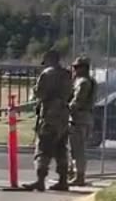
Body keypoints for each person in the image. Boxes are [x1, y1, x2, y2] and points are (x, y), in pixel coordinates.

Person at [23, 49, 73, 192]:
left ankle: (40, 180)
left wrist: (35, 90)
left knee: (43, 147)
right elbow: (70, 93)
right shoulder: (67, 74)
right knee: (61, 148)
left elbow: (40, 93)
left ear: (50, 59)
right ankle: (63, 180)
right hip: (63, 114)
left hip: (50, 114)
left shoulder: (46, 74)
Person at [68, 56, 97, 186]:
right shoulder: (86, 81)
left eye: (76, 67)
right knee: (75, 149)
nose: (74, 70)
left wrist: (65, 108)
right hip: (83, 118)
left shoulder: (83, 82)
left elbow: (77, 101)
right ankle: (74, 174)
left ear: (83, 68)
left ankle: (79, 176)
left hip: (79, 119)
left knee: (78, 150)